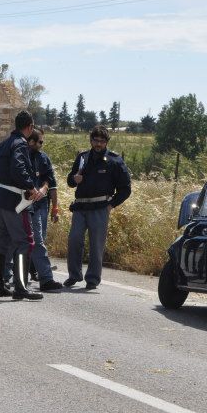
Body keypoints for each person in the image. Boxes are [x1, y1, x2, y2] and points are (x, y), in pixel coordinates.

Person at [64, 124, 131, 290]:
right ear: (91, 140)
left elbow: (126, 188)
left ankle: (92, 279)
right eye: (96, 140)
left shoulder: (114, 161)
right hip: (80, 207)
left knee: (96, 245)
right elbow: (70, 181)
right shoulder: (82, 157)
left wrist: (112, 205)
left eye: (102, 141)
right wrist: (74, 179)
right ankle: (74, 275)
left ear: (107, 142)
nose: (98, 144)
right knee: (74, 240)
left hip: (100, 208)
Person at [0, 110, 44, 301]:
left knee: (3, 241)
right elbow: (19, 168)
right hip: (16, 201)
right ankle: (21, 287)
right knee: (25, 242)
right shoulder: (20, 144)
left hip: (1, 199)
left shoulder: (1, 145)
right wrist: (31, 187)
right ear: (30, 127)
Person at [26, 128, 64, 291]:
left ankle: (32, 270)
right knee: (36, 241)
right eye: (40, 141)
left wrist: (55, 208)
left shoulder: (44, 158)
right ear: (32, 141)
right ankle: (45, 278)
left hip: (42, 205)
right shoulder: (23, 156)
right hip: (27, 204)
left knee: (38, 239)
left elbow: (52, 183)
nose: (42, 144)